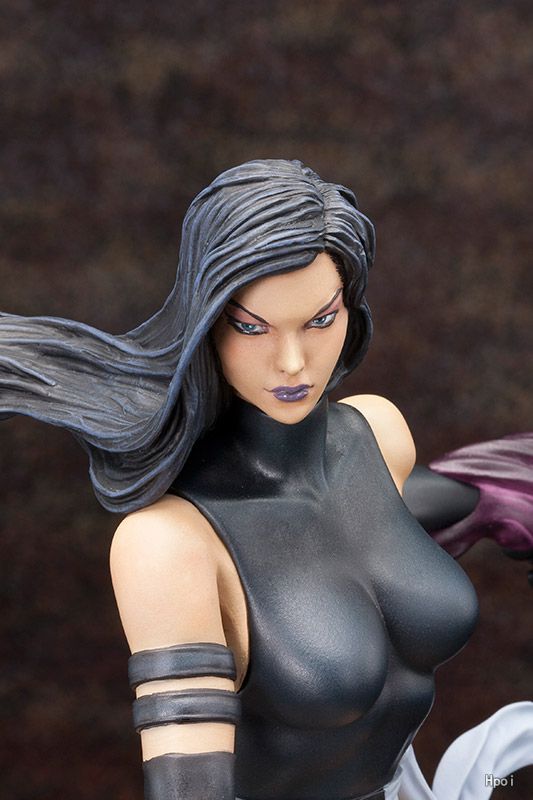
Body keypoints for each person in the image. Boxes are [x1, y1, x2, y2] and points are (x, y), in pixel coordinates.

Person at [1, 160, 531, 799]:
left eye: (320, 320)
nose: (292, 362)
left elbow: (387, 529)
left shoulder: (376, 432)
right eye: (252, 327)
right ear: (207, 321)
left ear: (351, 308)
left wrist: (510, 496)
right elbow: (189, 785)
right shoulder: (170, 544)